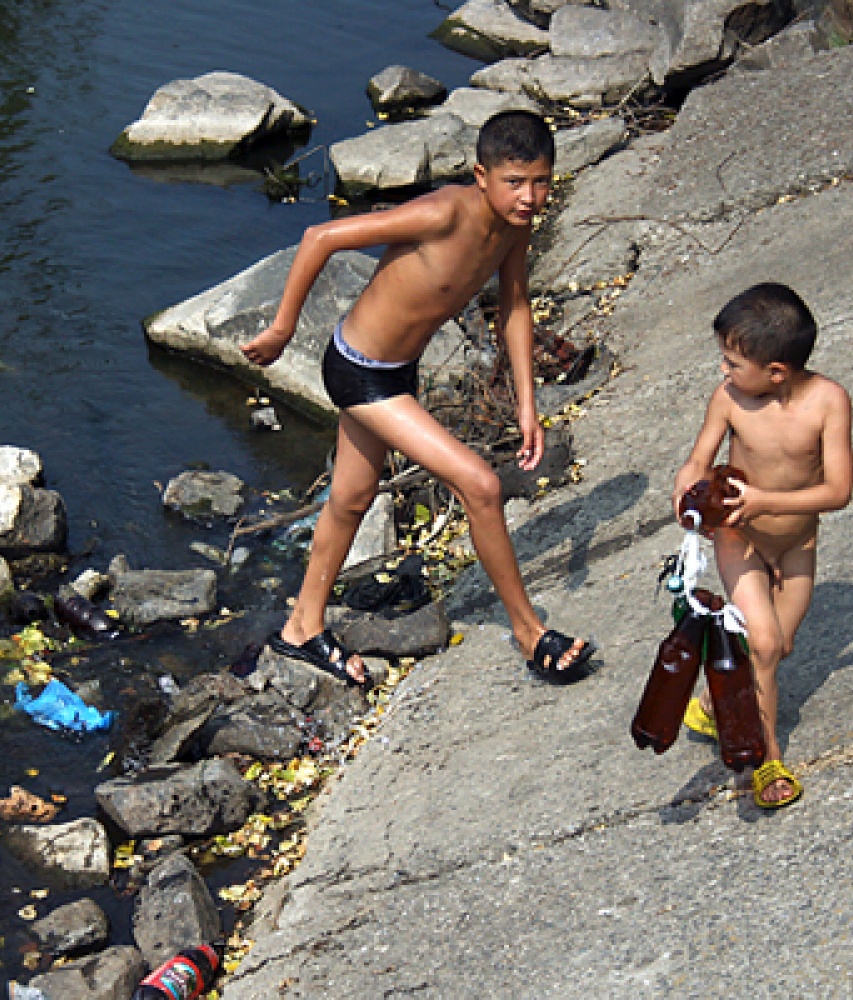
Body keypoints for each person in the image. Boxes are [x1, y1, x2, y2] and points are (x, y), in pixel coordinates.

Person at [241, 111, 594, 686]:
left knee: (351, 500)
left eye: (541, 181)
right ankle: (530, 634)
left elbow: (515, 305)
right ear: (482, 174)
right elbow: (320, 236)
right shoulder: (441, 213)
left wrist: (528, 404)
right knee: (479, 482)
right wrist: (283, 328)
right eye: (514, 182)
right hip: (357, 371)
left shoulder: (515, 225)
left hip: (397, 373)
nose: (529, 197)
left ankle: (301, 628)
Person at [674, 283, 853, 809]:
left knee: (779, 647)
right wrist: (686, 489)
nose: (723, 372)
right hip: (740, 539)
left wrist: (764, 500)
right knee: (767, 647)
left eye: (732, 363)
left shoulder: (828, 403)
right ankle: (765, 756)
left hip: (797, 544)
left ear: (777, 371)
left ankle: (712, 704)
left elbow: (837, 491)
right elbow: (698, 458)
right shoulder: (728, 400)